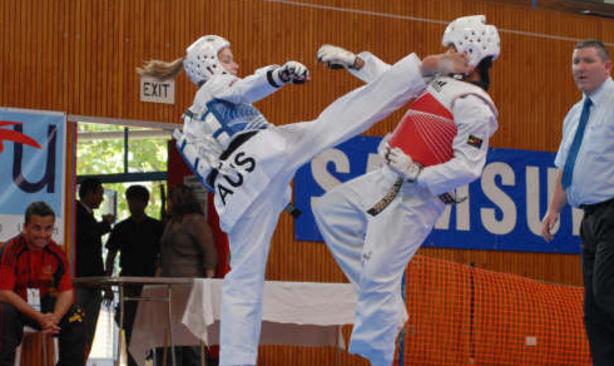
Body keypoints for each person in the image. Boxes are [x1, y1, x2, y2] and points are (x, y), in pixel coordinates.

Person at [137, 34, 467, 366]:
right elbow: (243, 88)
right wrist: (278, 75)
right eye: (226, 58)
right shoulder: (214, 87)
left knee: (242, 286)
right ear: (208, 64)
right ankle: (414, 74)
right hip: (263, 155)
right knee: (334, 121)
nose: (234, 64)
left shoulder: (192, 118)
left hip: (239, 196)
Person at [312, 15, 500, 366]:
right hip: (386, 178)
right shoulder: (440, 82)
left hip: (416, 198)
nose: (444, 53)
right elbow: (391, 80)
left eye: (451, 48)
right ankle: (388, 304)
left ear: (470, 53)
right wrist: (354, 61)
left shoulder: (475, 105)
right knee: (330, 209)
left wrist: (418, 173)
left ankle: (380, 359)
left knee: (379, 277)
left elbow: (469, 167)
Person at [541, 39, 614, 366]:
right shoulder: (575, 114)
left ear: (607, 66)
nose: (580, 68)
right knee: (595, 310)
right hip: (591, 219)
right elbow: (567, 167)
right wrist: (553, 208)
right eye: (575, 62)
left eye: (588, 61)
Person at [0, 201, 85, 366]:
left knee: (76, 315)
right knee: (3, 313)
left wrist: (54, 318)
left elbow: (67, 292)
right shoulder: (11, 249)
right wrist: (39, 317)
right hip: (14, 306)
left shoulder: (56, 253)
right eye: (37, 228)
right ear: (25, 228)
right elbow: (4, 292)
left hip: (41, 305)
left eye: (48, 229)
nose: (43, 234)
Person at [155, 184, 217, 365]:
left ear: (179, 201)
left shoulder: (196, 222)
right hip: (169, 288)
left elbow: (210, 254)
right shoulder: (171, 223)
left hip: (190, 288)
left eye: (170, 199)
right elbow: (163, 256)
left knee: (192, 339)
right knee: (172, 338)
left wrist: (208, 285)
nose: (168, 203)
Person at [105, 185, 164, 366]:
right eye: (131, 200)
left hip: (151, 284)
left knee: (153, 328)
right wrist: (107, 284)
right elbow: (111, 255)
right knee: (129, 327)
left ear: (145, 203)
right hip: (128, 283)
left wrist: (156, 279)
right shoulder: (121, 228)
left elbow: (163, 257)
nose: (134, 204)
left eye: (138, 200)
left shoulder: (157, 227)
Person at [74, 177, 114, 357]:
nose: (102, 199)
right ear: (90, 193)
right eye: (100, 194)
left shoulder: (87, 215)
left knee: (87, 332)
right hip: (82, 283)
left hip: (93, 283)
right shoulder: (76, 212)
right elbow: (87, 234)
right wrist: (105, 224)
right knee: (77, 331)